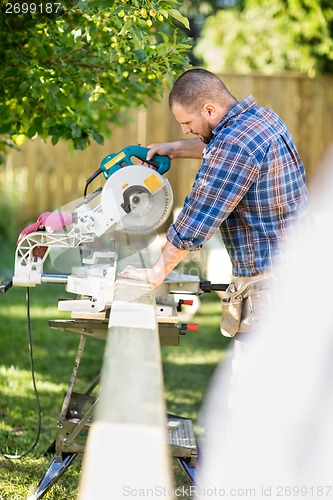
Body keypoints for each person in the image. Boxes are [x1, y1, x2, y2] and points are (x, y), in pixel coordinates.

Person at [119, 68, 309, 338]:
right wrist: (175, 149)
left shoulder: (233, 145)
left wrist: (155, 274)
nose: (185, 130)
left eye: (187, 123)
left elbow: (197, 217)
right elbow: (222, 148)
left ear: (209, 110)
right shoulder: (263, 119)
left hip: (271, 289)